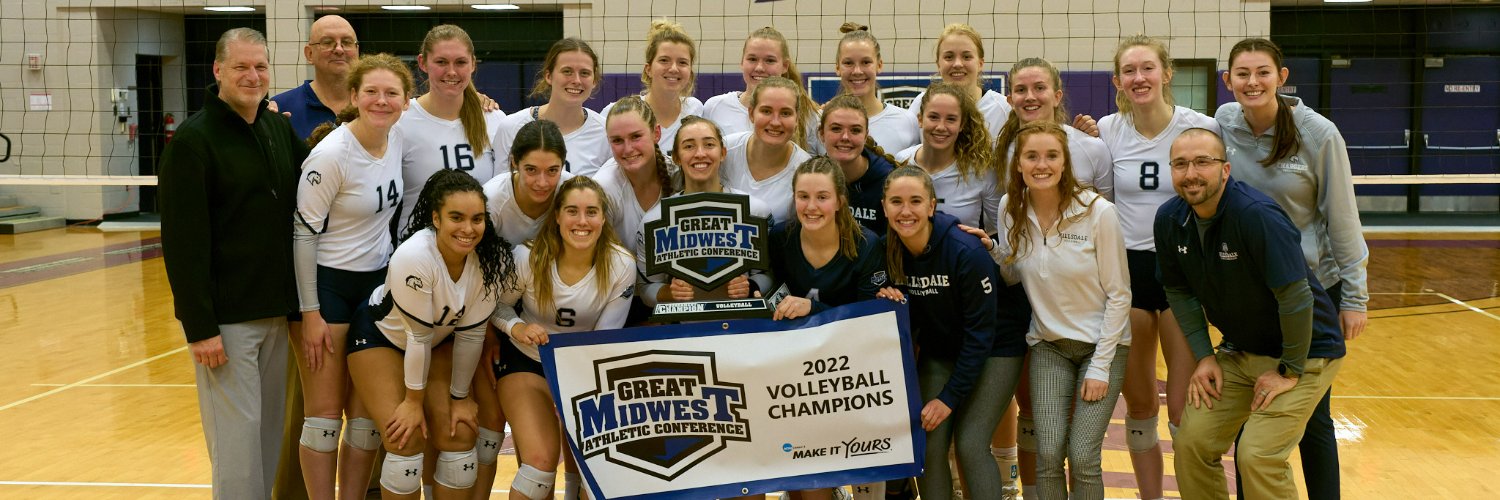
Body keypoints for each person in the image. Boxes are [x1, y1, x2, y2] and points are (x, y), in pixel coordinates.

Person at [1156, 128, 1346, 499]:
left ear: (1225, 170)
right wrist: (1204, 357)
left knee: (1257, 456)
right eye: (1180, 164)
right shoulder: (1170, 219)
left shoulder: (1256, 215)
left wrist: (1289, 370)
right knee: (1192, 443)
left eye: (1202, 162)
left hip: (1306, 353)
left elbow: (1296, 297)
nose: (1191, 172)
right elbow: (1178, 290)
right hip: (1241, 352)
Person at [1216, 37, 1368, 500]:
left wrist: (1355, 298)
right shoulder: (1223, 123)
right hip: (1253, 294)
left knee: (1314, 416)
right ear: (1228, 82)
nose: (1252, 82)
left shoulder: (1319, 133)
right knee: (1252, 406)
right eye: (1242, 74)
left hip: (1312, 292)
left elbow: (1343, 220)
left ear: (1281, 78)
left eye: (1263, 72)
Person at [159, 27, 306, 499]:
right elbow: (182, 241)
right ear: (218, 70)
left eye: (260, 66)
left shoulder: (276, 128)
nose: (252, 75)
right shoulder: (193, 141)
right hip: (227, 324)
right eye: (241, 66)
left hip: (277, 314)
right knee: (237, 445)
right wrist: (199, 325)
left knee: (266, 441)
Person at [989, 56, 1115, 498]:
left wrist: (1102, 358)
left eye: (1039, 88)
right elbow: (1011, 258)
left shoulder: (1094, 170)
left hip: (1094, 324)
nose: (1030, 97)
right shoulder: (1007, 194)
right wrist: (986, 253)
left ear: (1058, 95)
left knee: (1080, 454)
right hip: (1039, 325)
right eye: (1020, 90)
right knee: (1045, 447)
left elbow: (1115, 282)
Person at [346, 168, 513, 500]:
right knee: (405, 439)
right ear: (436, 218)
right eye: (456, 217)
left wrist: (460, 398)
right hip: (381, 338)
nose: (468, 229)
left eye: (477, 219)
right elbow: (417, 338)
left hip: (437, 343)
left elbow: (470, 337)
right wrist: (413, 402)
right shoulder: (414, 256)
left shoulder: (490, 262)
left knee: (461, 435)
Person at [1098, 36, 1218, 495]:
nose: (1138, 78)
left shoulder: (1200, 127)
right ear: (1117, 81)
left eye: (1147, 68)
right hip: (1127, 275)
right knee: (1141, 404)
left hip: (1183, 274)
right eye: (1129, 71)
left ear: (1167, 73)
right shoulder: (1107, 130)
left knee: (1186, 408)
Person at [291, 53, 413, 500]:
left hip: (376, 286)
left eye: (391, 93)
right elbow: (303, 235)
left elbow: (449, 100)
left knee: (364, 424)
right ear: (356, 96)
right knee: (324, 419)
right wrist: (310, 313)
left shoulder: (397, 134)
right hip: (326, 287)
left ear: (404, 99)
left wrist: (481, 100)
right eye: (372, 92)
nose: (381, 101)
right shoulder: (331, 155)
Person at [876, 166, 1023, 500]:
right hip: (940, 349)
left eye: (915, 201)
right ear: (884, 207)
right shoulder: (886, 250)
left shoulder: (965, 251)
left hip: (995, 348)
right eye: (896, 202)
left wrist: (948, 398)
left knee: (970, 443)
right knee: (927, 440)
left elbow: (980, 336)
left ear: (931, 206)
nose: (905, 210)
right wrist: (885, 299)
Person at [491, 177, 636, 500]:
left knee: (597, 473)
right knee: (540, 466)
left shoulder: (620, 265)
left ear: (603, 218)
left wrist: (571, 388)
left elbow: (604, 341)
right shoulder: (528, 257)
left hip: (586, 370)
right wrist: (517, 327)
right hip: (528, 362)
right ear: (556, 216)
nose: (581, 221)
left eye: (591, 212)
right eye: (572, 211)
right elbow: (497, 307)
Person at [768, 156, 888, 500]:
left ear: (840, 200)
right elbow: (769, 297)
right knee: (801, 471)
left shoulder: (866, 244)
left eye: (822, 197)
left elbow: (871, 322)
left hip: (850, 368)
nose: (811, 206)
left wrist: (813, 309)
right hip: (793, 369)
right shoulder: (780, 238)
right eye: (803, 196)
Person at [638, 116, 773, 308]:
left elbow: (770, 275)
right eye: (689, 146)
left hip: (741, 327)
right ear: (676, 157)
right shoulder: (655, 220)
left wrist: (751, 286)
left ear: (723, 152)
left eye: (709, 144)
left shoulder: (756, 211)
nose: (700, 153)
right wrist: (668, 293)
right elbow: (645, 287)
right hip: (684, 331)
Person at [397, 24, 505, 220]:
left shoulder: (494, 119)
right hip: (417, 244)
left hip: (476, 242)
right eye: (441, 62)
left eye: (460, 62)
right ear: (422, 63)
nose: (452, 71)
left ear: (473, 64)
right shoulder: (400, 122)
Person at [893, 82, 999, 235]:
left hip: (962, 257)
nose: (941, 127)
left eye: (951, 119)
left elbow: (1000, 231)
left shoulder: (980, 170)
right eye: (934, 117)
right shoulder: (902, 161)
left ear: (961, 124)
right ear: (920, 119)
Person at [494, 38, 610, 177]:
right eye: (567, 71)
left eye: (584, 73)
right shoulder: (511, 127)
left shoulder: (605, 132)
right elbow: (503, 190)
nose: (576, 81)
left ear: (594, 81)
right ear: (548, 76)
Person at [700, 26, 820, 149]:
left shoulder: (808, 114)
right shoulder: (715, 107)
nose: (759, 68)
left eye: (769, 60)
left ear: (785, 66)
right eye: (752, 59)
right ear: (742, 63)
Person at [719, 76, 814, 224]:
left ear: (797, 119)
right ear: (751, 114)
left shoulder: (806, 171)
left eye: (785, 113)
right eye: (766, 111)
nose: (775, 122)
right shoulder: (724, 151)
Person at [600, 19, 702, 153]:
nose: (673, 68)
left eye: (682, 62)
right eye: (664, 60)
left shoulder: (696, 109)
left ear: (690, 71)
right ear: (648, 69)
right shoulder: (615, 113)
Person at [597, 95, 676, 256]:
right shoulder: (604, 188)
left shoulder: (678, 175)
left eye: (636, 137)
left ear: (656, 133)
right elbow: (603, 260)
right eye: (617, 140)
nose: (627, 149)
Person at [826, 22, 919, 153]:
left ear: (879, 65)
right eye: (848, 63)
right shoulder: (822, 121)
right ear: (837, 68)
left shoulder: (907, 121)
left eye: (866, 62)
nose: (857, 71)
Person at [904, 23, 1011, 135]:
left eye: (966, 57)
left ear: (980, 63)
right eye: (949, 57)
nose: (957, 64)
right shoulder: (921, 103)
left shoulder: (1003, 109)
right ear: (938, 64)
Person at [484, 120, 576, 246]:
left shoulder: (574, 193)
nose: (542, 183)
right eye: (531, 170)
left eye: (552, 170)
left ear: (562, 165)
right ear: (514, 162)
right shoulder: (490, 200)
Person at [818, 94, 902, 234]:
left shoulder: (889, 182)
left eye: (855, 130)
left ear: (865, 135)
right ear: (821, 134)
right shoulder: (811, 177)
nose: (845, 137)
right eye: (836, 129)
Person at [272, 15, 358, 140]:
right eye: (327, 42)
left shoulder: (374, 105)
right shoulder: (281, 108)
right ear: (309, 54)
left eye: (347, 42)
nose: (339, 49)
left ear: (357, 51)